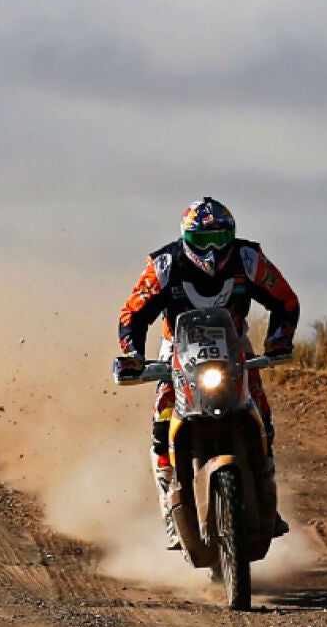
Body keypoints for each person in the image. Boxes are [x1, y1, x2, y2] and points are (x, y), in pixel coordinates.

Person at [114, 196, 299, 547]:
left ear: (233, 235)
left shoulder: (249, 260)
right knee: (162, 421)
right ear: (187, 239)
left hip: (234, 345)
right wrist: (133, 356)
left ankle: (266, 501)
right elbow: (132, 314)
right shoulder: (165, 264)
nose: (212, 249)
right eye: (202, 240)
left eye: (219, 238)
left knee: (260, 413)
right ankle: (171, 512)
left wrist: (279, 340)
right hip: (177, 350)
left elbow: (286, 302)